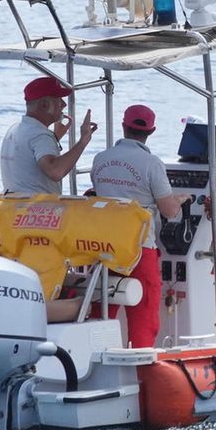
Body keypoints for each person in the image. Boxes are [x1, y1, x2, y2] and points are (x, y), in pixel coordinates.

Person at [88, 104, 189, 348]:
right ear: (151, 131)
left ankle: (93, 362)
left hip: (105, 248)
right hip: (140, 249)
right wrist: (182, 199)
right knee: (143, 317)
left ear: (124, 126)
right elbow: (169, 210)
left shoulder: (100, 159)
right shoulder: (151, 164)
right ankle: (143, 374)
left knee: (101, 312)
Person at [0, 76, 96, 195]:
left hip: (14, 206)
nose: (64, 104)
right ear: (44, 104)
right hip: (34, 210)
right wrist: (83, 141)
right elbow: (55, 171)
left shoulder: (15, 129)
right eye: (58, 99)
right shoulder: (40, 135)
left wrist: (55, 138)